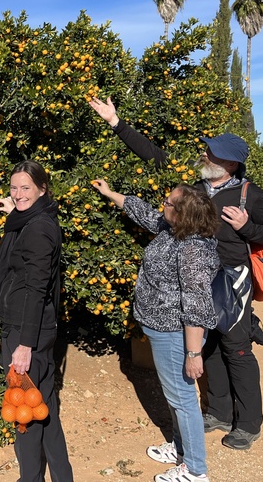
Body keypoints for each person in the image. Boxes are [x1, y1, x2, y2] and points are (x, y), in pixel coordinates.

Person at [88, 97, 263, 450]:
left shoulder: (249, 195)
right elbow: (154, 156)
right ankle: (221, 411)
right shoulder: (195, 189)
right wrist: (116, 123)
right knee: (208, 344)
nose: (204, 156)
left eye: (211, 154)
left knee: (236, 347)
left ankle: (249, 423)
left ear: (229, 163)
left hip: (231, 279)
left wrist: (247, 229)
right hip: (200, 278)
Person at [93, 180, 219, 482]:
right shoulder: (171, 229)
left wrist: (193, 353)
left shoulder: (193, 251)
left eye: (169, 202)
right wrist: (111, 193)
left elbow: (196, 307)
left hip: (176, 334)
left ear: (183, 214)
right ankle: (179, 448)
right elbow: (145, 213)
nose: (163, 203)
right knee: (175, 394)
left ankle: (196, 469)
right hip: (161, 329)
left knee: (183, 399)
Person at [0, 160, 74, 482]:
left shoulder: (38, 229)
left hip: (27, 333)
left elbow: (37, 289)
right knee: (45, 407)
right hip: (33, 329)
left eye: (26, 188)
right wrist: (15, 207)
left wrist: (24, 345)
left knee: (24, 410)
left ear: (42, 188)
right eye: (14, 187)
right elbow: (20, 224)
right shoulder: (34, 218)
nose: (18, 193)